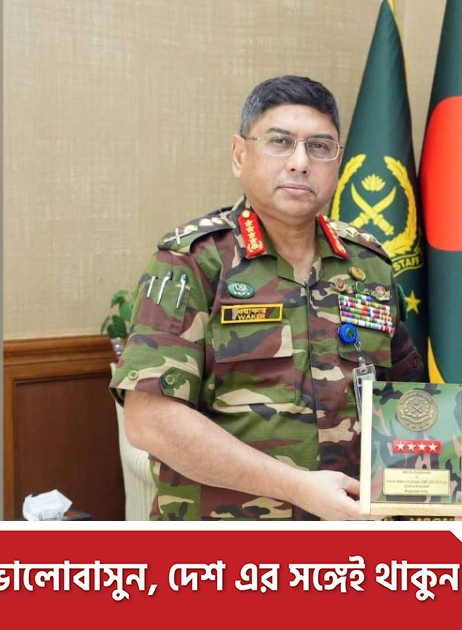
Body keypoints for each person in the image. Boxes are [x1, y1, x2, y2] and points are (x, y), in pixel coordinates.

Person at [111, 75, 426, 521]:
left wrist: (444, 483)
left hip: (353, 533)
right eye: (280, 142)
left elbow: (408, 399)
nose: (300, 162)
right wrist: (298, 489)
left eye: (319, 147)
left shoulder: (368, 265)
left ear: (338, 161)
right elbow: (151, 421)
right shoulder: (195, 260)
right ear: (240, 155)